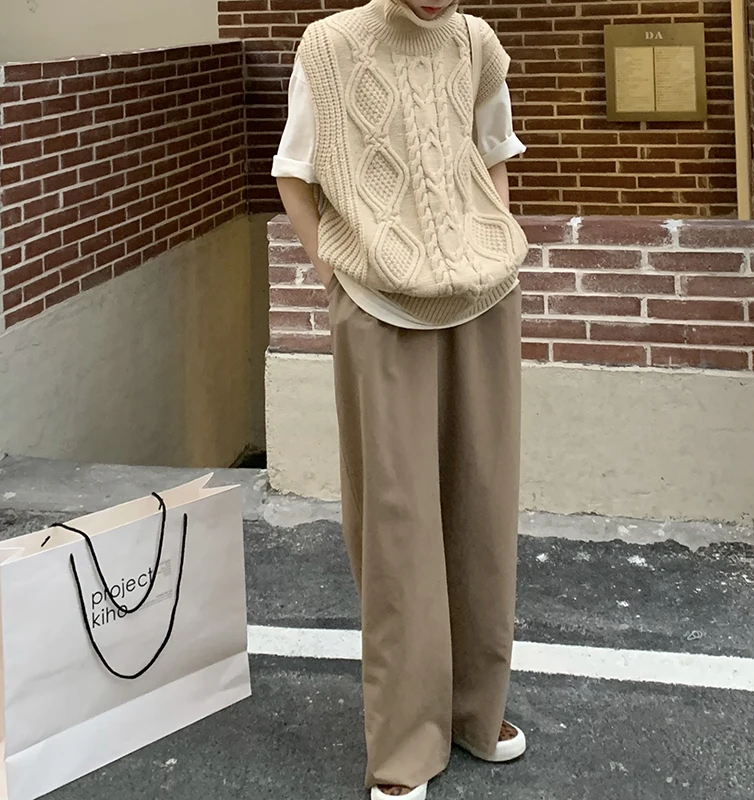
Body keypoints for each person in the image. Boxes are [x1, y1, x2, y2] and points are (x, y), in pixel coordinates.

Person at [273, 0, 528, 795]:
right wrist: (331, 271)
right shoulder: (330, 46)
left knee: (483, 502)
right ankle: (406, 746)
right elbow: (294, 172)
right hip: (378, 303)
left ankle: (475, 711)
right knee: (396, 519)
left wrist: (490, 235)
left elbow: (494, 150)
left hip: (483, 297)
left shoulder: (475, 41)